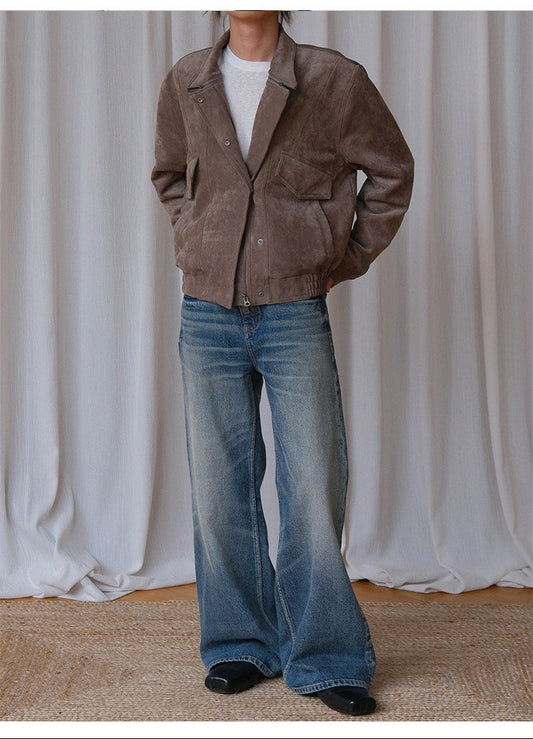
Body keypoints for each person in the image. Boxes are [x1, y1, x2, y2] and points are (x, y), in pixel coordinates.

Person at [151, 9, 414, 717]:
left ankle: (327, 655)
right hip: (206, 310)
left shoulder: (332, 79)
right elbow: (170, 175)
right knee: (218, 488)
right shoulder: (187, 79)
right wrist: (198, 236)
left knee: (312, 483)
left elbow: (392, 171)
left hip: (295, 307)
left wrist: (343, 256)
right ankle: (239, 642)